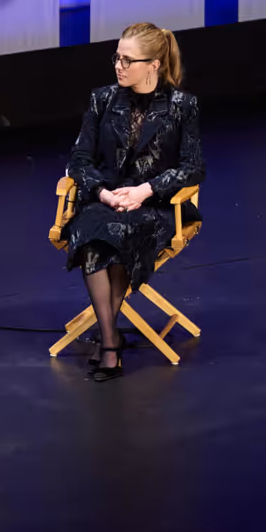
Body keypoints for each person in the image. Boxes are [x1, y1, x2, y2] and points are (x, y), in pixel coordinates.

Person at [64, 22, 205, 382]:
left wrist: (145, 191)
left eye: (128, 60)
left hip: (156, 205)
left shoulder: (181, 106)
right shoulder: (103, 99)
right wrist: (103, 193)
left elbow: (193, 168)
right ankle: (110, 339)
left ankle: (108, 343)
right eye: (117, 57)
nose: (119, 66)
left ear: (154, 64)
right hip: (107, 198)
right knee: (95, 235)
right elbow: (79, 160)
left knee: (122, 235)